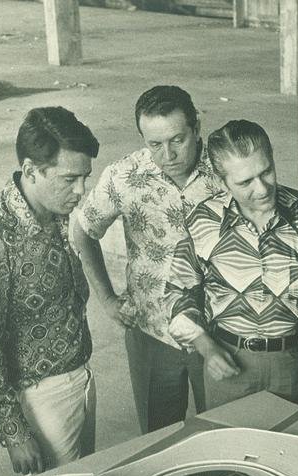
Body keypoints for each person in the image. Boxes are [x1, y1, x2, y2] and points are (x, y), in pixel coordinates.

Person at [0, 107, 99, 476]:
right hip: (40, 398)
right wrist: (14, 433)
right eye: (70, 179)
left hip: (80, 377)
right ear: (32, 170)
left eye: (85, 178)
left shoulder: (56, 209)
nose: (81, 192)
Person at [73, 86, 224, 434]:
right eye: (154, 144)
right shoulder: (123, 176)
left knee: (222, 431)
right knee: (159, 436)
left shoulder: (225, 168)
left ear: (197, 127)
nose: (168, 154)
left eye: (178, 139)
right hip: (152, 330)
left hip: (220, 331)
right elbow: (82, 232)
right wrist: (108, 300)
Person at [165, 120, 298, 411]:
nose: (262, 188)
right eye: (245, 182)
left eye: (266, 172)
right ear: (222, 180)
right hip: (229, 364)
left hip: (294, 365)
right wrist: (206, 347)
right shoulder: (204, 222)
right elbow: (178, 294)